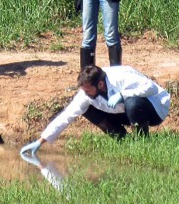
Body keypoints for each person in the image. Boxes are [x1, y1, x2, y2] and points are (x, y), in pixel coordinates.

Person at [20, 65, 170, 156]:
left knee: (133, 103)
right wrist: (40, 141)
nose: (85, 93)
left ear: (99, 84)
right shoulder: (86, 94)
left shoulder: (119, 77)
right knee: (86, 109)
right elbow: (66, 116)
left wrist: (123, 94)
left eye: (88, 90)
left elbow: (151, 88)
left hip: (155, 107)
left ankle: (142, 144)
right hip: (122, 110)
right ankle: (123, 140)